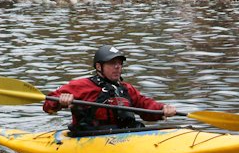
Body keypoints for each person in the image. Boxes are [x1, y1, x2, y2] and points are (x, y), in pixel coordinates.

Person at [42, 45, 178, 134]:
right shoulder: (81, 86)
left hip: (126, 135)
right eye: (112, 63)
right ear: (99, 67)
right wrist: (61, 102)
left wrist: (163, 110)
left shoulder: (126, 89)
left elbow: (146, 107)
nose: (118, 67)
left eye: (120, 64)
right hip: (91, 136)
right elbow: (48, 106)